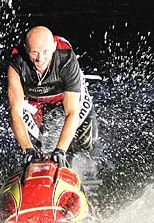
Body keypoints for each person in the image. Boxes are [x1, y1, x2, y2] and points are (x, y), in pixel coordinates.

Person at [7, 26, 97, 168]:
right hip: (35, 102)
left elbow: (72, 111)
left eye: (45, 52)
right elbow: (15, 112)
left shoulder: (66, 57)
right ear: (26, 48)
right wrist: (27, 149)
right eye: (34, 52)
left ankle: (72, 160)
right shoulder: (17, 62)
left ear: (54, 47)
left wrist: (61, 150)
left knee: (88, 143)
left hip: (66, 98)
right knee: (40, 150)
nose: (40, 59)